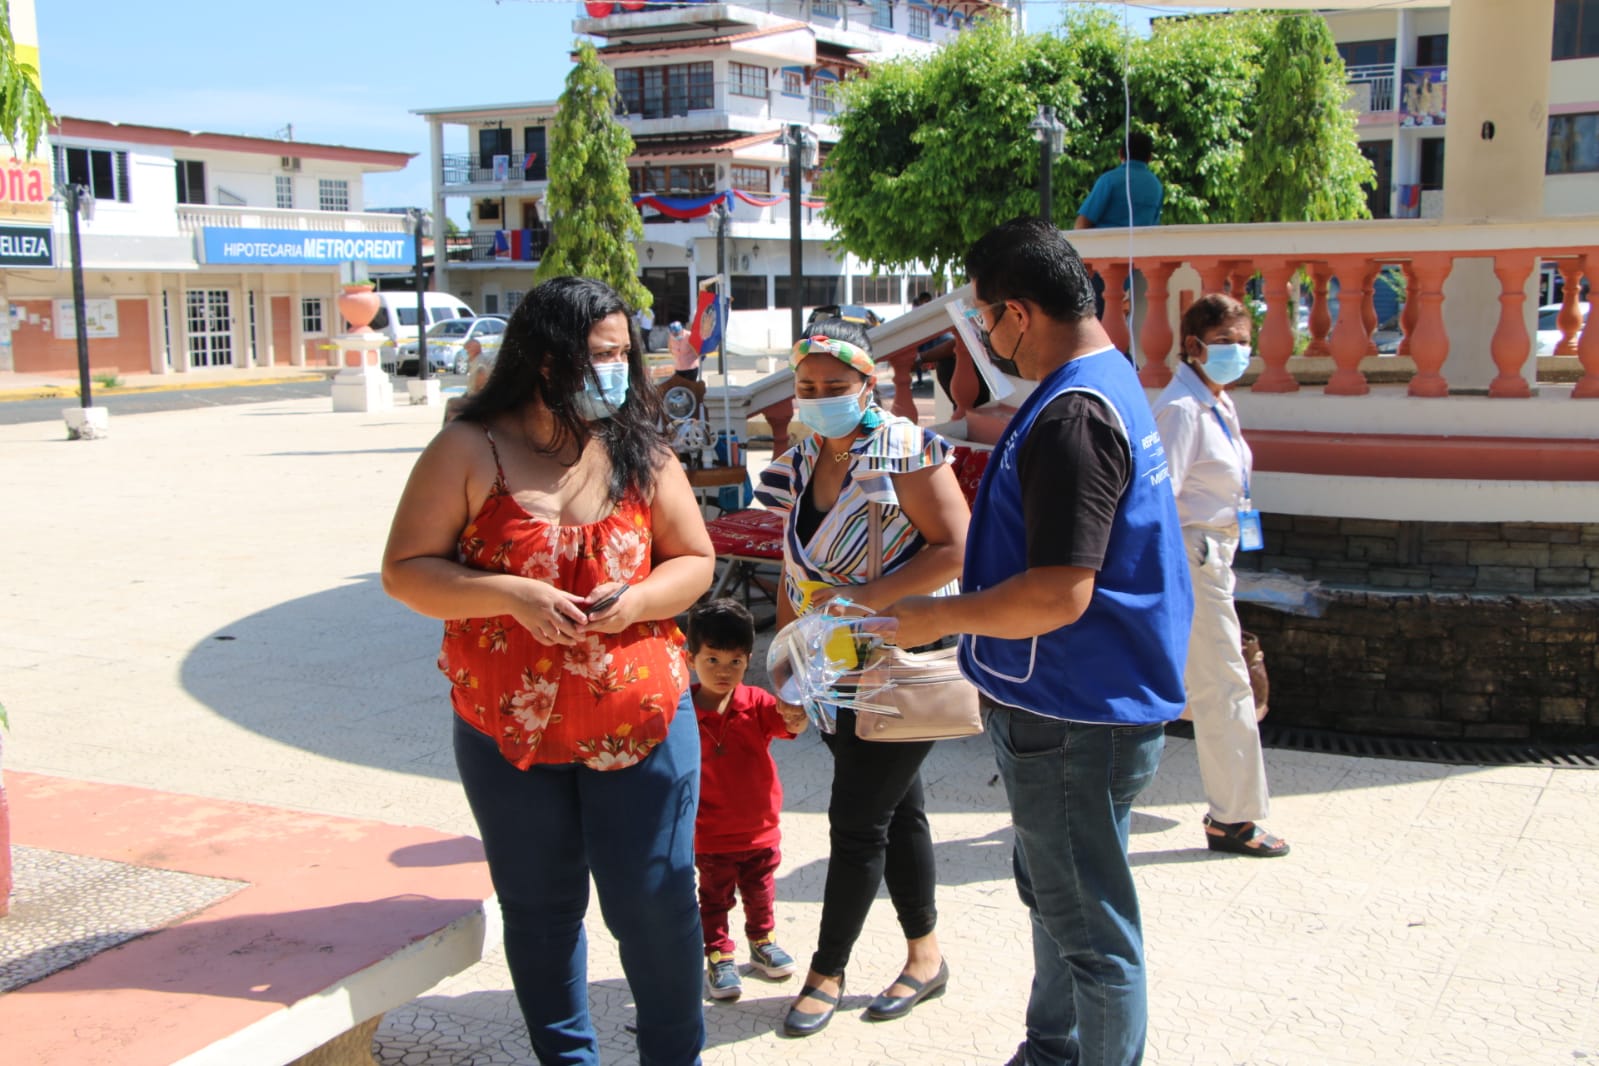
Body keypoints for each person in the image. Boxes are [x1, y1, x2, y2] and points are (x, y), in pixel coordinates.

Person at [381, 276, 715, 1066]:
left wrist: (637, 602)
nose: (616, 370)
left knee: (656, 906)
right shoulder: (469, 449)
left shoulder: (641, 449)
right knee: (539, 911)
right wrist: (506, 593)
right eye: (598, 355)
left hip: (641, 724)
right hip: (507, 731)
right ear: (542, 358)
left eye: (622, 354)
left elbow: (695, 560)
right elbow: (405, 571)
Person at [885, 217, 1192, 1066]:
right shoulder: (1107, 377)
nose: (985, 337)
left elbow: (1059, 592)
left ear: (1017, 313)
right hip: (1091, 699)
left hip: (1072, 709)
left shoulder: (1073, 415)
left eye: (985, 318)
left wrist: (936, 618)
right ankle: (1050, 1048)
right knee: (1061, 899)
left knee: (1091, 931)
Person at [753, 317, 971, 1038]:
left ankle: (826, 971)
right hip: (830, 668)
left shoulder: (905, 448)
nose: (819, 397)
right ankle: (925, 957)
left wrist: (862, 601)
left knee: (855, 821)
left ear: (867, 383)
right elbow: (796, 564)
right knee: (895, 810)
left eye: (834, 385)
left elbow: (955, 547)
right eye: (807, 386)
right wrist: (787, 660)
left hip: (896, 660)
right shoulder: (800, 456)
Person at [1153, 293, 1289, 859]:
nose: (1238, 352)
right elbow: (1159, 501)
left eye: (1244, 342)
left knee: (1210, 680)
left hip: (1217, 551)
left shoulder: (1217, 402)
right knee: (1226, 683)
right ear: (1194, 346)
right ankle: (1233, 817)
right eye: (1226, 342)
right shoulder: (1183, 410)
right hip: (1193, 556)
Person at [685, 597, 809, 1002]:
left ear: (749, 660)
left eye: (735, 662)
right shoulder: (680, 711)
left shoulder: (756, 702)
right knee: (713, 898)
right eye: (712, 660)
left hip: (759, 829)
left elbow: (788, 723)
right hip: (709, 834)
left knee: (761, 891)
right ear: (690, 659)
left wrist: (797, 714)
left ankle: (762, 941)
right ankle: (718, 954)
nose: (724, 671)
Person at [1074, 130, 1163, 230]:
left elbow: (1082, 224)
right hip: (1141, 240)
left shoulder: (1109, 180)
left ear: (1120, 153)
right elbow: (1154, 226)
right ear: (1150, 157)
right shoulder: (1157, 186)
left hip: (1106, 239)